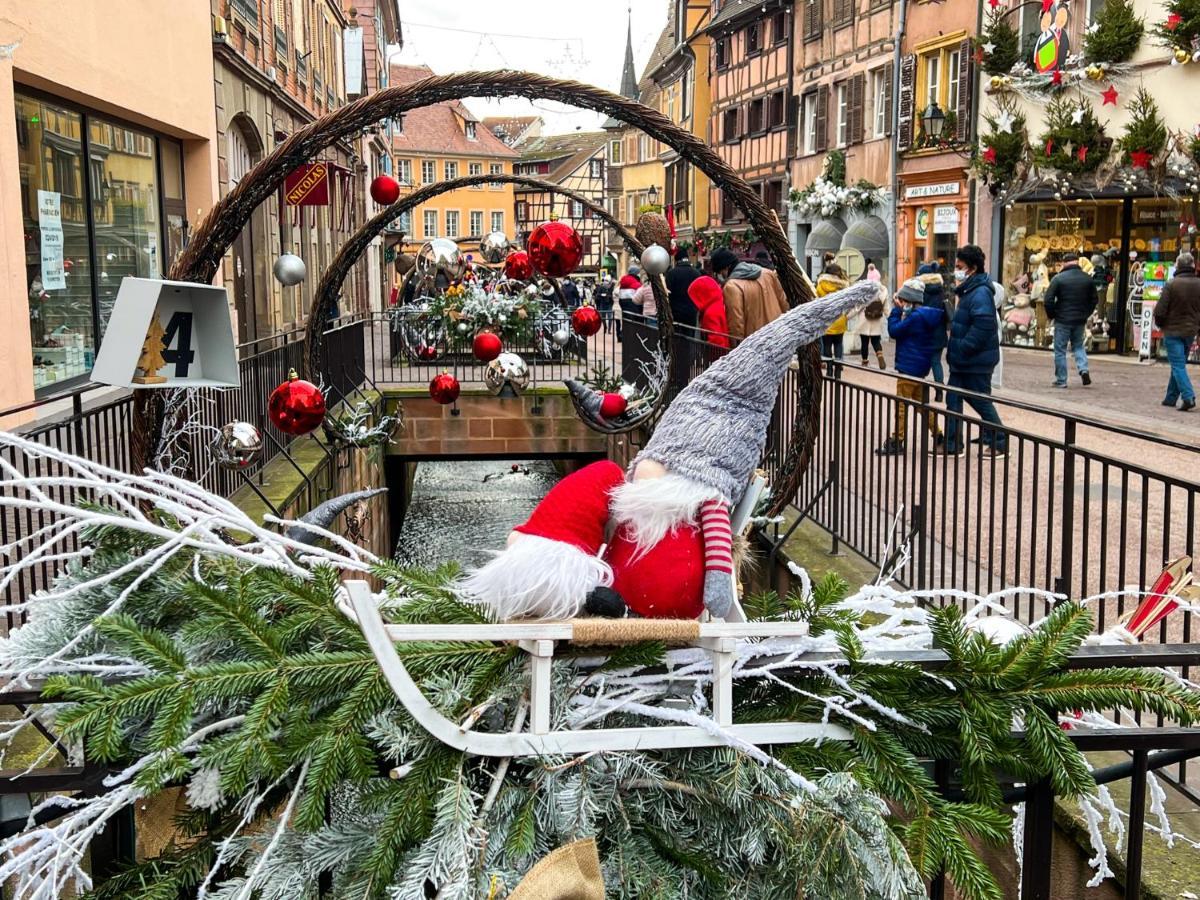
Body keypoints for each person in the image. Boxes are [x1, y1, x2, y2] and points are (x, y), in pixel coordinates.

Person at [941, 245, 1006, 458]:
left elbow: (984, 326)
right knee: (953, 399)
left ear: (973, 268)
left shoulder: (980, 293)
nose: (956, 271)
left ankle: (1000, 441)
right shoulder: (969, 291)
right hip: (964, 361)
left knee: (979, 400)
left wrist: (963, 348)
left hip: (975, 361)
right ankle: (952, 444)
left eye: (960, 267)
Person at [875, 278, 946, 456]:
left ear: (910, 301)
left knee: (901, 406)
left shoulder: (915, 317)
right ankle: (938, 433)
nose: (902, 303)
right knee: (921, 405)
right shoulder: (926, 315)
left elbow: (895, 331)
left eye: (904, 300)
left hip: (908, 368)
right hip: (920, 367)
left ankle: (897, 441)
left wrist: (896, 311)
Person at [1043, 251, 1098, 388]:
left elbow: (1048, 299)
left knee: (1060, 350)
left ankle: (1061, 380)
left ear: (1064, 262)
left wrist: (1052, 314)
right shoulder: (1087, 278)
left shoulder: (1058, 278)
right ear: (1077, 262)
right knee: (1078, 345)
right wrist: (1086, 313)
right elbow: (1094, 300)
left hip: (1062, 319)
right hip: (1080, 319)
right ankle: (1083, 369)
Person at [710, 246, 789, 341]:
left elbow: (736, 325)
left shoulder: (732, 286)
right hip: (779, 336)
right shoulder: (768, 274)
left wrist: (736, 350)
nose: (720, 276)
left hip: (755, 344)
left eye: (720, 272)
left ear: (727, 267)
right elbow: (784, 303)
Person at [1154, 251, 1200, 411]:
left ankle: (1188, 396)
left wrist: (1161, 324)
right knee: (1178, 363)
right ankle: (1170, 398)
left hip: (1173, 330)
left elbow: (1160, 310)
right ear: (1192, 265)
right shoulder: (1198, 284)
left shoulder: (1172, 284)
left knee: (1178, 365)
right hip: (1190, 330)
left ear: (1178, 265)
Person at [918, 261, 949, 402]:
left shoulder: (920, 291)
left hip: (924, 332)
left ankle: (920, 389)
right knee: (936, 362)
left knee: (922, 360)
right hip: (939, 332)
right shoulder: (941, 291)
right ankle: (939, 392)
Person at [817, 263, 849, 377]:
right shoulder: (843, 286)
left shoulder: (821, 284)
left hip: (826, 319)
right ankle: (838, 371)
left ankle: (829, 370)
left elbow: (818, 300)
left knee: (827, 346)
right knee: (838, 344)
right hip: (840, 319)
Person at [688, 275, 731, 350]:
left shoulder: (710, 314)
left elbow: (716, 341)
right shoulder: (718, 303)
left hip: (718, 357)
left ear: (701, 295)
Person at [666, 247, 702, 332]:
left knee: (676, 337)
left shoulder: (672, 273)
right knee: (689, 337)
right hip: (691, 311)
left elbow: (667, 292)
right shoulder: (696, 273)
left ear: (677, 260)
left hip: (675, 311)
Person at [852, 283, 887, 369]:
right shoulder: (881, 294)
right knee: (876, 341)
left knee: (864, 343)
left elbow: (857, 308)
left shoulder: (864, 295)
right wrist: (889, 315)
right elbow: (886, 308)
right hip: (877, 321)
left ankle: (865, 361)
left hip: (864, 321)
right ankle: (879, 354)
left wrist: (848, 316)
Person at [617, 265, 642, 340]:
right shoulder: (636, 284)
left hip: (624, 307)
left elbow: (620, 299)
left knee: (626, 324)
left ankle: (624, 337)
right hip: (635, 308)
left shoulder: (623, 283)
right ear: (636, 273)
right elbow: (640, 298)